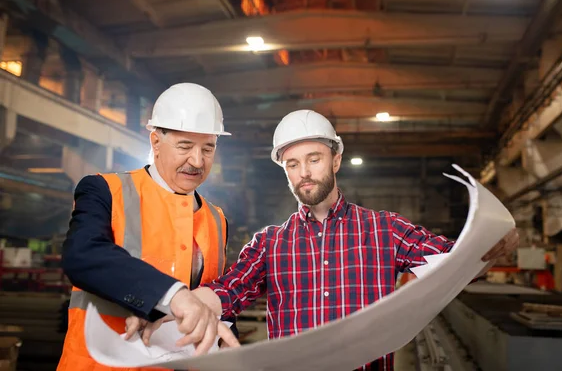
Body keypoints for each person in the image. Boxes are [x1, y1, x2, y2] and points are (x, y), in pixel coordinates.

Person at [141, 109, 519, 370]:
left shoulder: (384, 229)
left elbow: (455, 262)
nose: (304, 173)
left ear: (336, 160)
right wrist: (173, 307)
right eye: (292, 164)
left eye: (314, 159)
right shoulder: (270, 243)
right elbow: (226, 293)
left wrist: (495, 238)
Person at [57, 83, 240, 371]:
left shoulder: (217, 219)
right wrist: (172, 296)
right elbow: (82, 254)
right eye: (185, 146)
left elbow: (213, 297)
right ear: (155, 142)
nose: (197, 161)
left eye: (208, 148)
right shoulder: (106, 190)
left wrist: (224, 338)